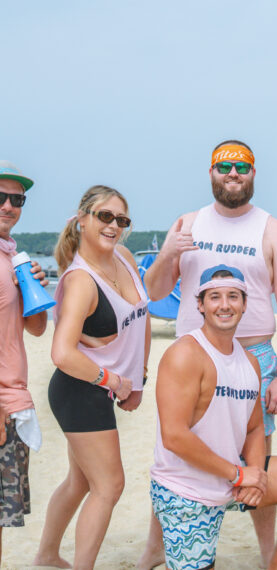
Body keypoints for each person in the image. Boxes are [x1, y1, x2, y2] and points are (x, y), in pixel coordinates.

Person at [140, 139, 277, 568]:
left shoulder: (273, 230)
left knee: (257, 455)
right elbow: (154, 292)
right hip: (194, 357)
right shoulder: (188, 224)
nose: (233, 174)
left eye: (242, 167)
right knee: (176, 454)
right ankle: (156, 547)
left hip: (254, 356)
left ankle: (267, 551)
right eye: (224, 167)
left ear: (253, 173)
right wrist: (168, 253)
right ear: (211, 172)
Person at [150, 265, 277, 570]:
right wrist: (238, 475)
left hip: (234, 474)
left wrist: (255, 475)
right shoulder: (185, 353)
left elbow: (255, 427)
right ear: (200, 305)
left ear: (245, 304)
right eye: (215, 297)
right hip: (186, 488)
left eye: (233, 296)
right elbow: (174, 436)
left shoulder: (249, 361)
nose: (225, 305)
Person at [33, 185, 150, 569]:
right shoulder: (81, 281)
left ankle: (47, 556)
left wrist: (139, 378)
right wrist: (114, 382)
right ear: (82, 219)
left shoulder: (125, 258)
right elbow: (62, 353)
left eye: (122, 219)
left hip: (101, 386)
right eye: (104, 216)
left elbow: (142, 316)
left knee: (80, 481)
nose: (114, 225)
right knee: (109, 486)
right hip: (79, 389)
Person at [0, 161, 48, 564]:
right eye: (0, 197)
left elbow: (35, 328)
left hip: (13, 401)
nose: (8, 206)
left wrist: (34, 288)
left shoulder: (11, 256)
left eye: (17, 200)